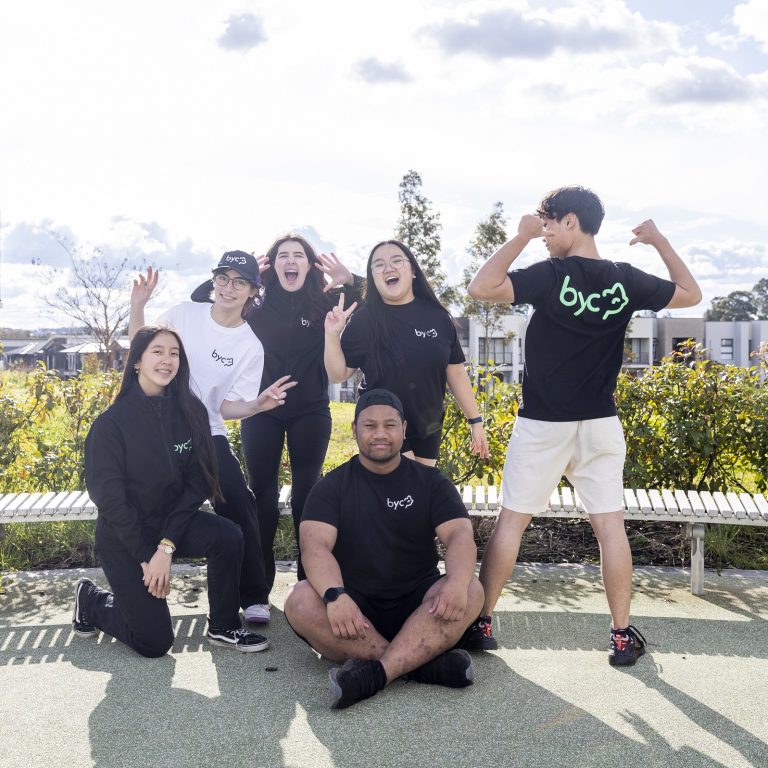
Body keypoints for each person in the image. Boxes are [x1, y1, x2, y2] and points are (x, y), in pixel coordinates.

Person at [465, 186, 702, 665]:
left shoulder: (551, 274)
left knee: (512, 521)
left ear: (571, 221)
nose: (546, 232)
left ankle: (482, 621)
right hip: (600, 423)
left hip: (543, 423)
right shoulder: (625, 279)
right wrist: (658, 241)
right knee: (609, 527)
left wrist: (520, 238)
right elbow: (691, 294)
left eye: (549, 223)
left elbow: (481, 287)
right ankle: (620, 636)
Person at [73, 325, 269, 655]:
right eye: (158, 352)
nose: (167, 360)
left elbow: (198, 483)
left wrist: (166, 547)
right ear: (136, 361)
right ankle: (91, 601)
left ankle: (223, 625)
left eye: (174, 353)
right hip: (125, 537)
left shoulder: (190, 411)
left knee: (228, 536)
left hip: (170, 526)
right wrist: (146, 556)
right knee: (154, 643)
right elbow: (110, 499)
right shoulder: (111, 424)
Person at [284, 388, 484, 709]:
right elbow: (314, 547)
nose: (380, 434)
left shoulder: (430, 482)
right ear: (354, 430)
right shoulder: (332, 487)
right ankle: (422, 664)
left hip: (420, 607)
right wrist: (335, 597)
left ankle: (374, 675)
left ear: (404, 429)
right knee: (300, 602)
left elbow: (460, 536)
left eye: (390, 425)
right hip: (355, 609)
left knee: (472, 590)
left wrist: (458, 584)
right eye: (369, 426)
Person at [129, 252, 296, 626]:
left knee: (239, 500)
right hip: (160, 431)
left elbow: (225, 407)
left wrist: (255, 405)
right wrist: (137, 305)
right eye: (223, 278)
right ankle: (136, 578)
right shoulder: (184, 314)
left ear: (253, 291)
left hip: (207, 433)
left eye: (240, 282)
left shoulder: (250, 346)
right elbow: (139, 351)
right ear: (214, 281)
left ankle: (253, 596)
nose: (228, 287)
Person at [191, 235, 363, 592]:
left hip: (310, 411)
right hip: (261, 411)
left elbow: (375, 298)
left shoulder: (325, 303)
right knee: (262, 495)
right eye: (282, 255)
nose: (290, 260)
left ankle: (309, 580)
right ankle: (258, 584)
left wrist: (350, 278)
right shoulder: (254, 305)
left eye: (298, 255)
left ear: (310, 265)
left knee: (306, 494)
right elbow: (199, 298)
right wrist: (238, 271)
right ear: (272, 266)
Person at [324, 239, 489, 467]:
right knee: (407, 484)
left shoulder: (438, 317)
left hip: (428, 425)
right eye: (379, 264)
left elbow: (456, 373)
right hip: (383, 424)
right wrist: (332, 336)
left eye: (396, 260)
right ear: (373, 278)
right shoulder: (365, 319)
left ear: (412, 270)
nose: (388, 267)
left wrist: (476, 421)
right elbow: (338, 374)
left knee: (418, 494)